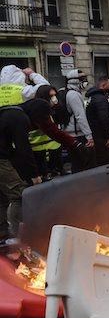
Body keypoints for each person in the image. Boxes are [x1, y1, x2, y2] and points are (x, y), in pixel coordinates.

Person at [0, 99, 50, 241]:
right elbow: (24, 148)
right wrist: (34, 175)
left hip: (3, 157)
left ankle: (2, 235)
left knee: (2, 197)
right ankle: (21, 237)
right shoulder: (20, 118)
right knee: (19, 195)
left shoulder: (7, 112)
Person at [60, 69, 95, 172]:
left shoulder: (68, 92)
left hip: (71, 134)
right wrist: (89, 136)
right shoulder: (73, 95)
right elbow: (80, 116)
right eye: (82, 79)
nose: (85, 81)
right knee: (84, 163)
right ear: (74, 81)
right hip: (77, 135)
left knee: (77, 162)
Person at [86, 76, 109, 166]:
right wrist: (108, 137)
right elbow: (104, 118)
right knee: (105, 160)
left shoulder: (93, 97)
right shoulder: (100, 99)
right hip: (101, 136)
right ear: (103, 85)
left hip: (95, 134)